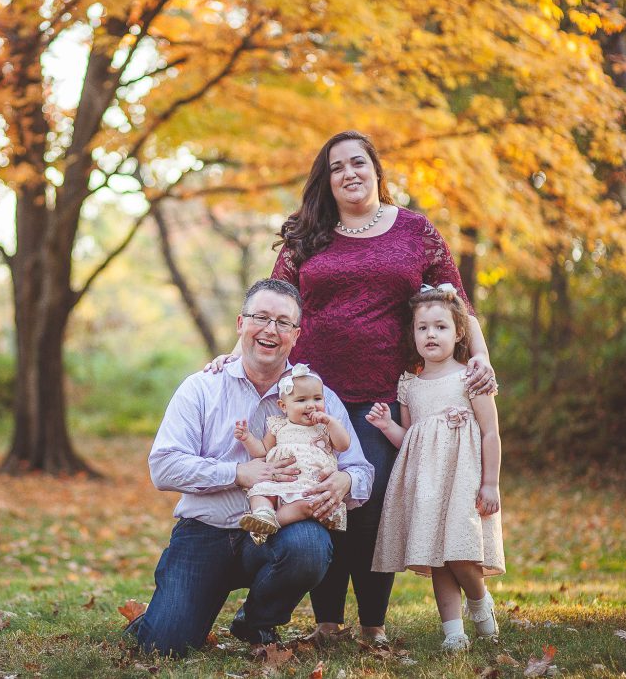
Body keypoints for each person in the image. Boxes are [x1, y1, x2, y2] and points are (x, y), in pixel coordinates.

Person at [207, 130, 497, 644]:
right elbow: (274, 301)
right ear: (327, 180)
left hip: (387, 396)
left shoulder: (414, 230)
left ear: (376, 171)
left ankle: (373, 627)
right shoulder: (307, 234)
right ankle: (326, 625)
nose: (349, 173)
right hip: (312, 399)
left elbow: (460, 304)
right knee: (321, 499)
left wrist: (481, 358)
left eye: (358, 162)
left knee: (372, 509)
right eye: (336, 166)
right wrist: (232, 359)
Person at [127, 279, 374, 657]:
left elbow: (362, 470)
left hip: (281, 532)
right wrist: (239, 474)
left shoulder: (316, 395)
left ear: (296, 334)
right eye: (261, 317)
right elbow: (164, 466)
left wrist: (344, 480)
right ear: (241, 323)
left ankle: (256, 621)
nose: (270, 330)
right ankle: (162, 617)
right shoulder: (201, 388)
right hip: (205, 533)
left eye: (283, 322)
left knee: (309, 546)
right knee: (165, 645)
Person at [366, 285, 505, 651]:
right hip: (427, 484)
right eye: (422, 327)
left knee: (460, 553)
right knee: (438, 558)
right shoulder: (409, 384)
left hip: (463, 480)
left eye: (440, 327)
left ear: (459, 332)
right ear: (412, 334)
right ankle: (453, 632)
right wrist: (387, 427)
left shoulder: (471, 377)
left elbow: (491, 433)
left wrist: (490, 483)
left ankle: (479, 603)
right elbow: (411, 438)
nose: (431, 334)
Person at [234, 363, 350, 545]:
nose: (311, 405)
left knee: (307, 506)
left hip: (309, 488)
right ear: (283, 406)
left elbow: (343, 445)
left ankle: (271, 524)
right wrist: (247, 438)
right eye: (301, 400)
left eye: (317, 398)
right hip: (277, 484)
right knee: (259, 494)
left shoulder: (324, 427)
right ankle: (263, 515)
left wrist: (331, 423)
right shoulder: (278, 425)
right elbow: (262, 450)